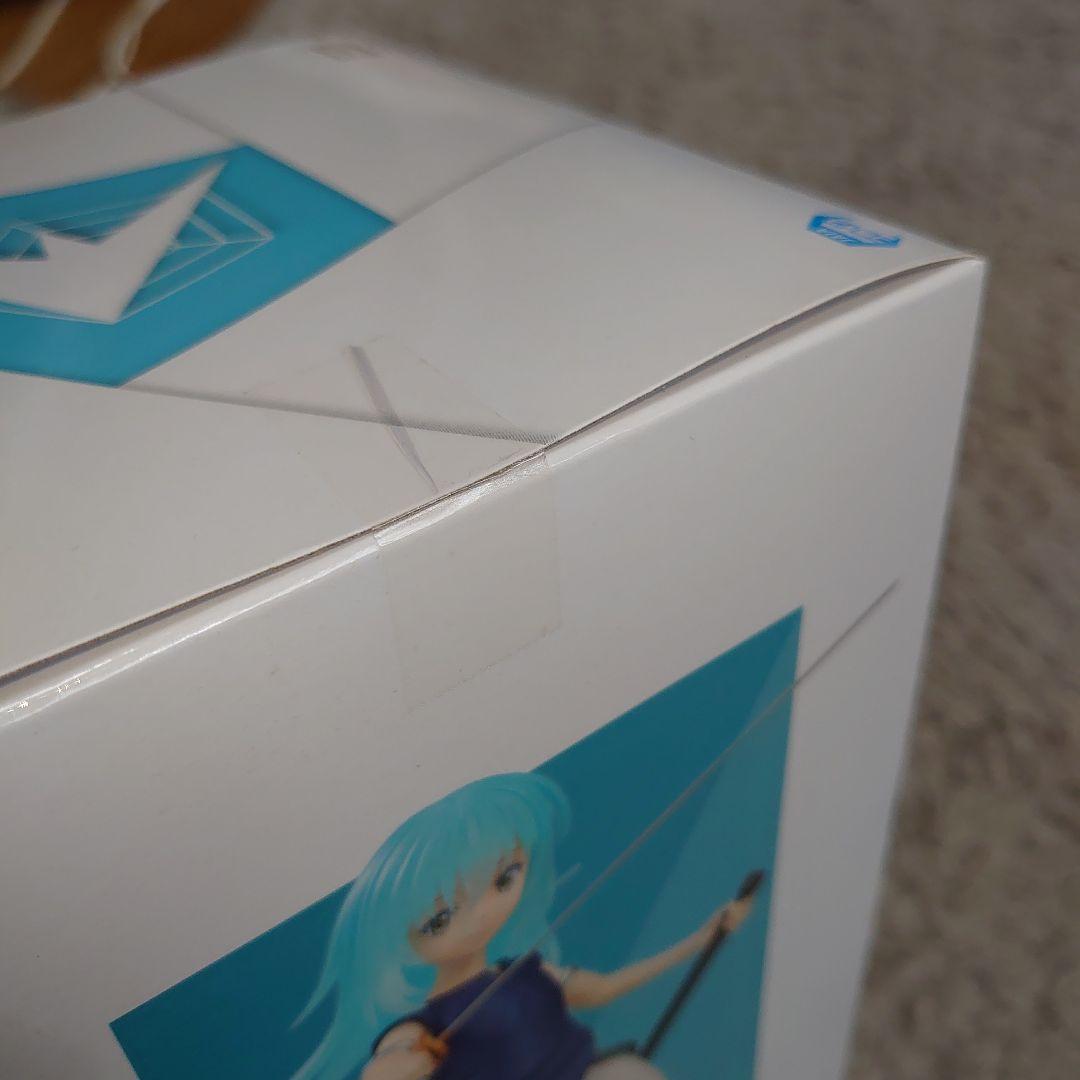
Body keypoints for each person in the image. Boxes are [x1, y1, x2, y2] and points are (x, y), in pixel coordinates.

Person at [292, 773, 753, 1080]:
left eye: (502, 879)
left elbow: (605, 987)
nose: (479, 915)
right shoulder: (428, 1025)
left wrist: (704, 937)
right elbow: (388, 1062)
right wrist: (397, 1065)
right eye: (440, 919)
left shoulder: (528, 972)